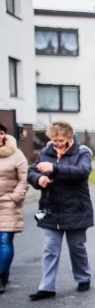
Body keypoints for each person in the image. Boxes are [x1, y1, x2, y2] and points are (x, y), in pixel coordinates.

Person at [27, 121, 93, 301]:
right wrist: (39, 179)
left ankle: (83, 277)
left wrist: (54, 168)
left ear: (70, 138)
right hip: (51, 209)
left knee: (76, 247)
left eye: (60, 140)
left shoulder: (82, 153)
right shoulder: (46, 152)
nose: (57, 144)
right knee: (50, 249)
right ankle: (47, 287)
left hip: (76, 209)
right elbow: (31, 171)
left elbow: (82, 171)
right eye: (54, 140)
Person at [0, 122, 29, 294]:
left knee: (4, 240)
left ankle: (2, 276)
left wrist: (15, 197)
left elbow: (24, 178)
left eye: (1, 133)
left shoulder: (16, 154)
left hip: (8, 203)